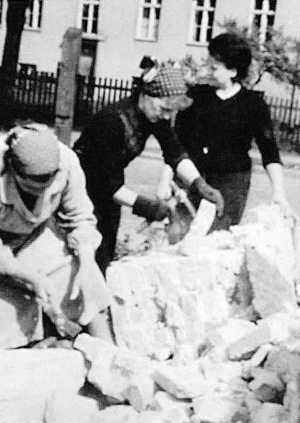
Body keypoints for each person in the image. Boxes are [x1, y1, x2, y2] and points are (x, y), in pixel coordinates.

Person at [0, 123, 111, 349]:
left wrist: (87, 263)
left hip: (32, 225)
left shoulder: (67, 162)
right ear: (12, 169)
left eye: (45, 185)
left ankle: (111, 357)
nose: (39, 191)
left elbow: (81, 219)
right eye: (30, 188)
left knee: (82, 280)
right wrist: (29, 277)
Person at [74, 62, 225, 274]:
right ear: (146, 95)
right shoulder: (111, 122)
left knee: (104, 259)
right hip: (80, 192)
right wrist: (147, 207)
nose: (165, 116)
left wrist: (199, 183)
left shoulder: (153, 116)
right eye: (164, 109)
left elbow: (174, 152)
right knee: (83, 258)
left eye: (170, 112)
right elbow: (105, 183)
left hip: (108, 194)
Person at [156, 33, 293, 229]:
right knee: (180, 236)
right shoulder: (196, 97)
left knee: (215, 241)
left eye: (214, 68)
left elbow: (269, 151)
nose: (208, 71)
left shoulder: (253, 104)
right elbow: (175, 145)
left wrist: (279, 193)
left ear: (232, 71)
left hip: (231, 183)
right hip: (193, 179)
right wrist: (164, 182)